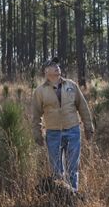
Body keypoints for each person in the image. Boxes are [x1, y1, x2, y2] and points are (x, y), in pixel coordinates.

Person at [31, 57, 94, 192]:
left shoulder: (71, 85)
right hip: (53, 133)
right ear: (46, 71)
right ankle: (60, 198)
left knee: (73, 168)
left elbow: (82, 107)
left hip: (73, 131)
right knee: (57, 170)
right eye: (53, 65)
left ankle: (73, 197)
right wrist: (37, 134)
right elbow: (36, 115)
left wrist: (89, 127)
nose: (57, 67)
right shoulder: (40, 91)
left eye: (58, 65)